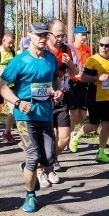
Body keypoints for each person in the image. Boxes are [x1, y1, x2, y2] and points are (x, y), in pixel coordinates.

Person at [0, 22, 64, 212]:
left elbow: (55, 79)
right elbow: (2, 87)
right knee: (34, 156)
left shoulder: (50, 59)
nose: (42, 38)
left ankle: (27, 166)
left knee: (50, 158)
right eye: (39, 35)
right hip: (25, 115)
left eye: (45, 35)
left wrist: (58, 91)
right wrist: (18, 102)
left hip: (45, 114)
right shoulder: (20, 60)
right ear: (29, 36)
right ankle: (30, 196)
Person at [46, 19, 80, 177]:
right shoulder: (42, 48)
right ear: (49, 34)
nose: (61, 39)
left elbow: (75, 73)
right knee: (50, 135)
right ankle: (45, 166)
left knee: (65, 136)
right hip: (43, 98)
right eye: (58, 35)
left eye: (63, 35)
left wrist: (71, 64)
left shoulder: (68, 49)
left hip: (61, 96)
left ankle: (48, 161)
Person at [76, 37, 109, 163]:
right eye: (102, 45)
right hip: (94, 97)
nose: (104, 47)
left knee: (107, 125)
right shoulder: (92, 60)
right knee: (94, 125)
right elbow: (83, 78)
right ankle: (76, 136)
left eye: (107, 45)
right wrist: (98, 78)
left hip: (108, 98)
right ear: (98, 46)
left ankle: (101, 151)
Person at [68, 25, 92, 152]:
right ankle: (68, 138)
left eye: (85, 35)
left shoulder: (87, 49)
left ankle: (68, 129)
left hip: (84, 84)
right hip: (72, 84)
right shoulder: (69, 48)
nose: (84, 37)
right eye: (82, 34)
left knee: (82, 116)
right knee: (74, 114)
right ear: (75, 35)